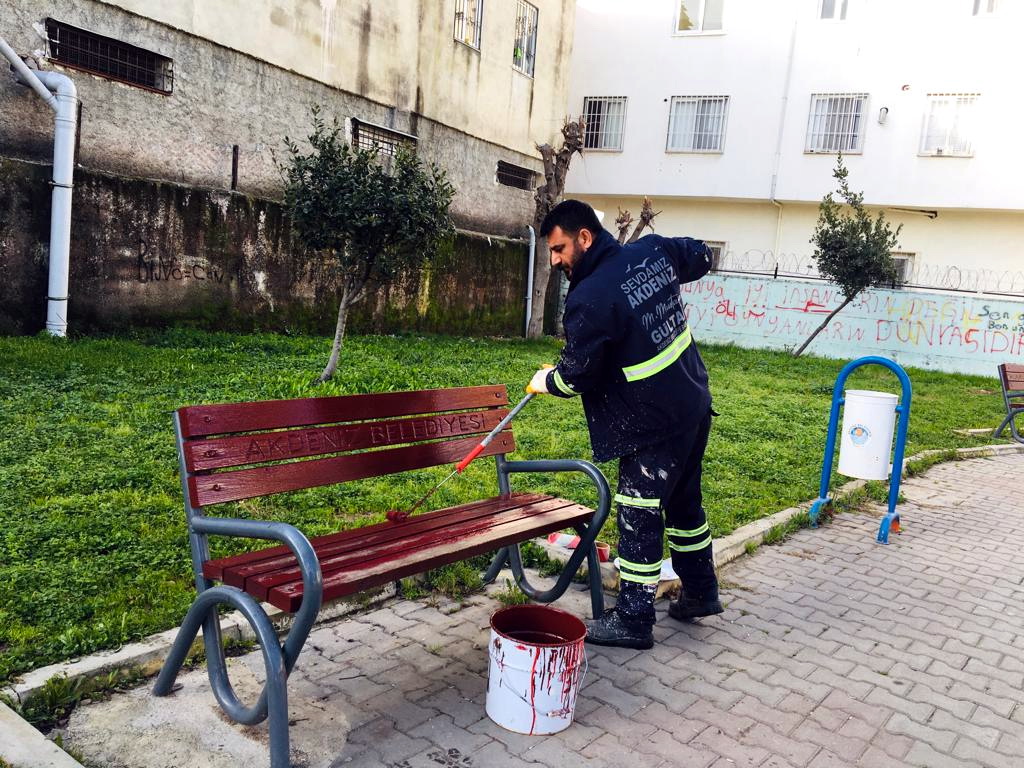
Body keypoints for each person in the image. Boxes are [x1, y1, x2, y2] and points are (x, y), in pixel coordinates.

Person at [528, 199, 721, 650]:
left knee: (638, 514)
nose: (554, 261)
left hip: (650, 423)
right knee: (686, 506)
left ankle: (633, 620)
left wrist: (546, 381)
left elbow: (577, 376)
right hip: (693, 403)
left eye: (558, 250)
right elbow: (700, 255)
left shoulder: (589, 297)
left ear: (585, 238)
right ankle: (699, 592)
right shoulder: (652, 251)